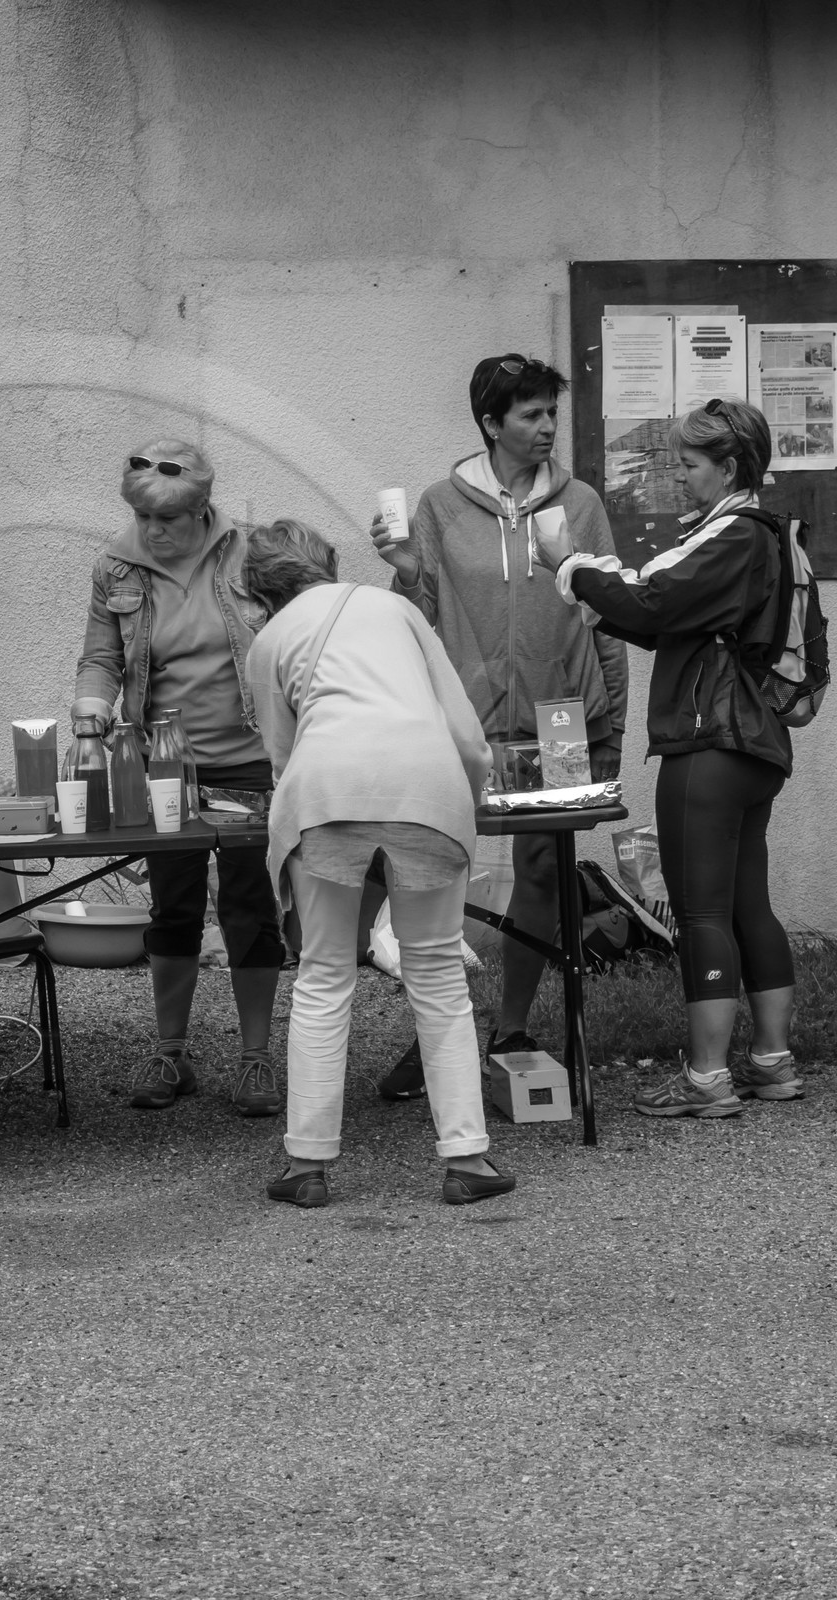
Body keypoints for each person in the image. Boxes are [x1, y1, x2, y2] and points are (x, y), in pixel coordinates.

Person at [371, 355, 627, 1097]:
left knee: (545, 868)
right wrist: (404, 567)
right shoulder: (440, 504)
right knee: (435, 868)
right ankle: (438, 1034)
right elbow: (414, 618)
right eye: (531, 415)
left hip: (561, 721)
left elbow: (606, 610)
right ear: (491, 423)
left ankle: (512, 1026)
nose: (547, 427)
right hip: (464, 723)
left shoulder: (579, 502)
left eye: (552, 413)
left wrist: (610, 719)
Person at [535, 399, 798, 1118]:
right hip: (754, 745)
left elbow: (652, 604)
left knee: (700, 909)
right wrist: (600, 588)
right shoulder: (762, 534)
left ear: (730, 467)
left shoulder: (732, 535)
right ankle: (773, 1062)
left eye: (688, 465)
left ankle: (707, 1077)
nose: (679, 478)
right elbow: (667, 618)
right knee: (748, 905)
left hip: (709, 741)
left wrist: (569, 566)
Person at [245, 520, 513, 1207]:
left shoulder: (269, 639)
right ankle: (467, 1160)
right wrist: (470, 803)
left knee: (324, 973)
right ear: (330, 565)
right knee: (436, 973)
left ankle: (306, 1166)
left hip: (326, 793)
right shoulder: (395, 609)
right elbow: (464, 732)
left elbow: (281, 754)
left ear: (260, 594)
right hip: (426, 788)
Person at [72, 440, 285, 1115]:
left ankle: (255, 1059)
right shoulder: (115, 565)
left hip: (251, 757)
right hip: (163, 765)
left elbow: (298, 631)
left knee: (250, 908)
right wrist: (90, 709)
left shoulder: (253, 553)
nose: (152, 532)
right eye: (142, 518)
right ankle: (170, 1054)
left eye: (166, 521)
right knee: (174, 906)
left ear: (200, 514)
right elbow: (101, 657)